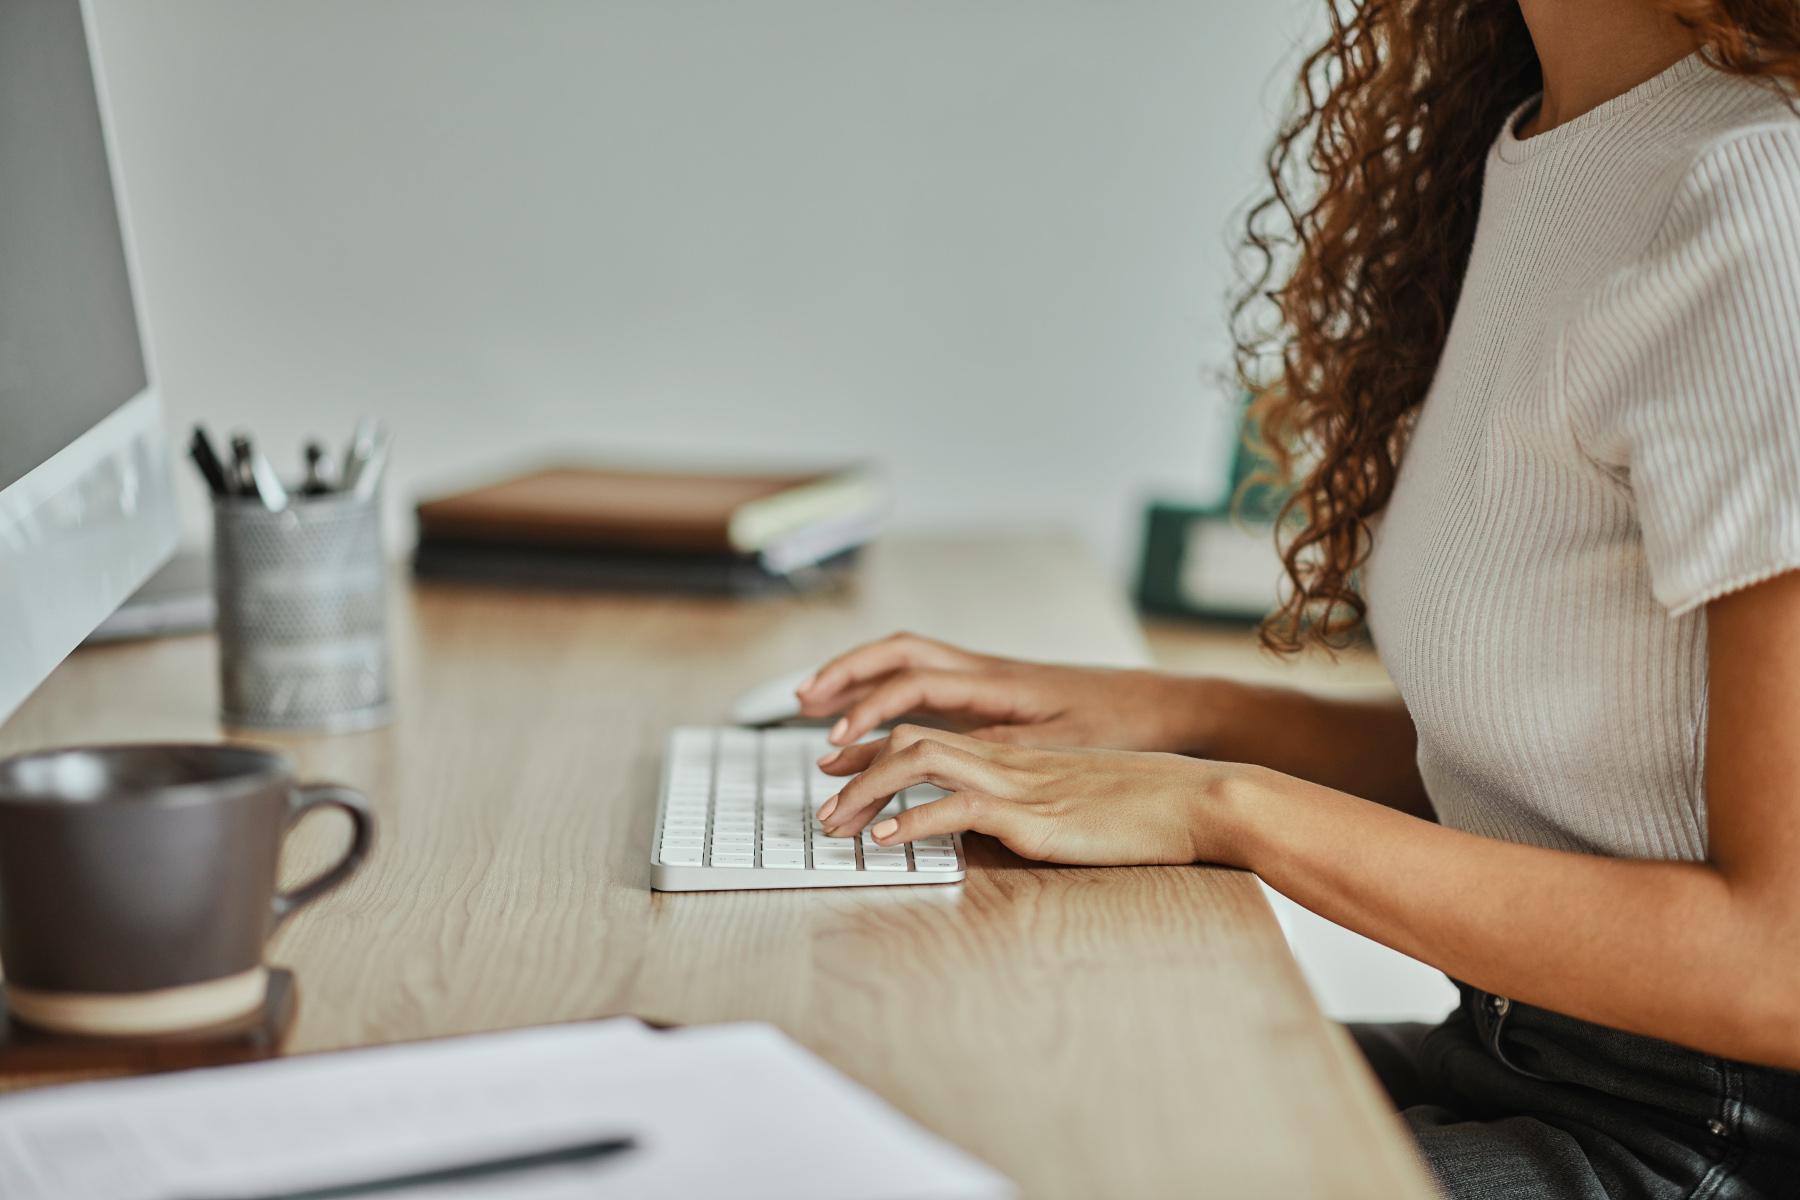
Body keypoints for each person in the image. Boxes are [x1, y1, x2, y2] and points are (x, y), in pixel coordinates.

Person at [796, 1, 1800, 1195]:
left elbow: (1774, 966)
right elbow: (1569, 776)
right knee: (908, 1083)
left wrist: (1224, 805)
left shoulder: (1757, 195)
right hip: (1512, 1052)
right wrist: (1160, 718)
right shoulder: (1554, 139)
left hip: (1699, 1138)